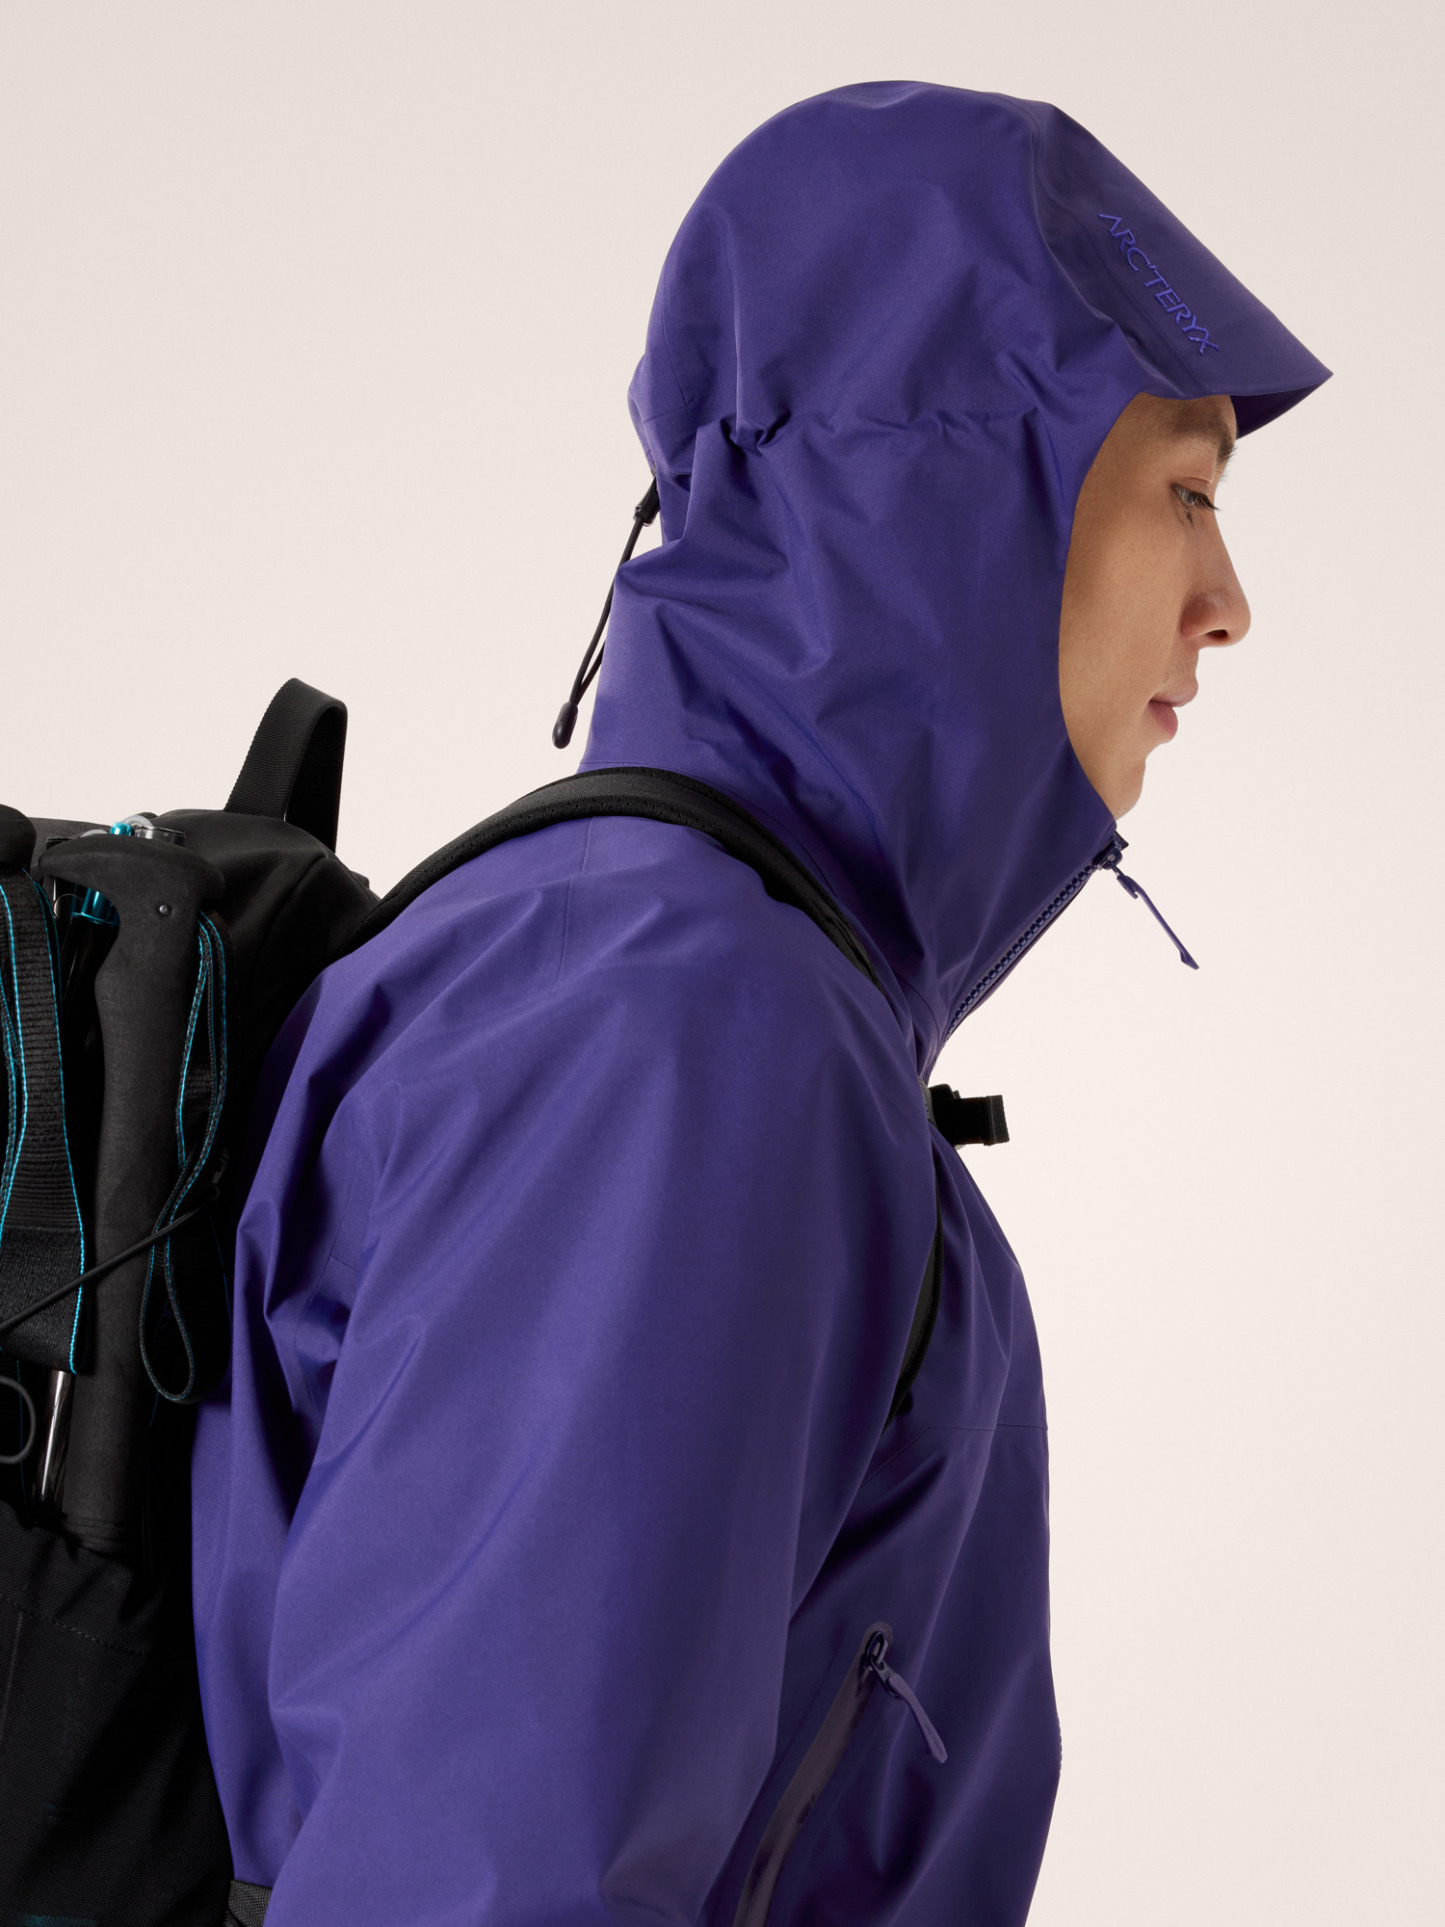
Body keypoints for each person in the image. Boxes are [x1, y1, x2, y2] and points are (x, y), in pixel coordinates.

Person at [192, 81, 1327, 1925]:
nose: (1227, 602)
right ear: (946, 491)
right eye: (1184, 491)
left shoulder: (696, 983)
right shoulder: (677, 1032)